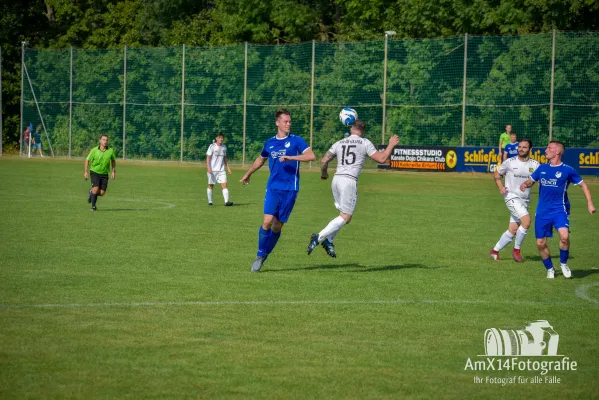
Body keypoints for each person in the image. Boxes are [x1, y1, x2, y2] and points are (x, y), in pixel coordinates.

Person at [307, 120, 399, 257]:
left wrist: (324, 173)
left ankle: (329, 241)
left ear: (351, 129)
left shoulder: (339, 143)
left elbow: (324, 160)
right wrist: (391, 145)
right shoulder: (364, 142)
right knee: (346, 217)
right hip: (348, 181)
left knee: (343, 216)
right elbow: (382, 158)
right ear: (363, 131)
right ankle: (318, 237)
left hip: (336, 180)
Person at [240, 109, 316, 272]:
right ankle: (260, 254)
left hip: (290, 189)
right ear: (277, 123)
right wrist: (248, 174)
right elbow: (260, 159)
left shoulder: (296, 141)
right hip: (273, 188)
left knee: (277, 226)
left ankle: (266, 254)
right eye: (285, 121)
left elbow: (311, 156)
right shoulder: (270, 143)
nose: (288, 124)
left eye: (289, 122)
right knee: (267, 221)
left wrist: (292, 157)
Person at [520, 141, 595, 279]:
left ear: (557, 152)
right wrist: (525, 184)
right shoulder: (542, 168)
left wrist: (589, 203)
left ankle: (563, 263)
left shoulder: (567, 170)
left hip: (559, 209)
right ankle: (550, 268)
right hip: (542, 212)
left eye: (549, 148)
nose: (546, 150)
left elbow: (583, 185)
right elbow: (531, 181)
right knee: (540, 243)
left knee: (565, 237)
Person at [489, 139, 539, 262]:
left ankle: (494, 251)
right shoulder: (510, 162)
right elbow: (496, 174)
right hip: (511, 197)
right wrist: (501, 187)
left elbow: (535, 181)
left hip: (525, 200)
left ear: (530, 149)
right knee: (526, 222)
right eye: (520, 147)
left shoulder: (536, 165)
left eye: (524, 147)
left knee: (513, 229)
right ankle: (516, 250)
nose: (521, 149)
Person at [84, 135, 116, 211]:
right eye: (103, 139)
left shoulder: (110, 151)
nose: (105, 141)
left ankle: (91, 193)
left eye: (106, 140)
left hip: (104, 174)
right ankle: (93, 206)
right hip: (94, 172)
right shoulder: (94, 150)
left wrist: (113, 171)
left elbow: (113, 160)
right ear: (100, 141)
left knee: (101, 193)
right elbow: (87, 160)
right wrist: (85, 171)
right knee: (96, 188)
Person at [206, 133, 233, 206]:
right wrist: (209, 168)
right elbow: (208, 158)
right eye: (219, 137)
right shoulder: (212, 146)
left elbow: (225, 158)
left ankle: (227, 202)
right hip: (212, 170)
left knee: (224, 185)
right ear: (216, 138)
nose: (221, 139)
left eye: (222, 138)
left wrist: (228, 168)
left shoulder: (224, 147)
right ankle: (210, 201)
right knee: (210, 186)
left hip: (221, 170)